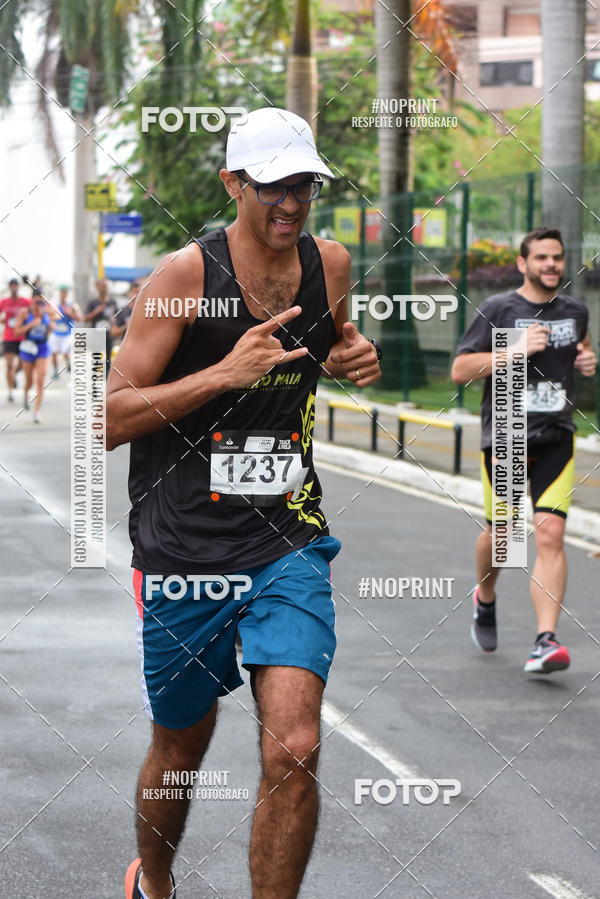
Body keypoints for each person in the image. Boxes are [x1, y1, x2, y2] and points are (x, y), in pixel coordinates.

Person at [106, 106, 382, 899]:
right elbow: (109, 418)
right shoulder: (182, 277)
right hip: (183, 549)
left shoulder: (330, 262)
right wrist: (222, 374)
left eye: (304, 186)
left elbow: (334, 340)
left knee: (295, 745)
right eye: (273, 187)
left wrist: (350, 354)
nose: (291, 204)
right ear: (234, 183)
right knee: (181, 744)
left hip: (287, 538)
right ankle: (154, 880)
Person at [451, 226, 597, 674]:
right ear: (523, 263)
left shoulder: (575, 311)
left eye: (557, 257)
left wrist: (587, 359)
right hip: (507, 435)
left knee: (550, 534)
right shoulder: (499, 309)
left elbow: (582, 346)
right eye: (541, 258)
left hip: (557, 435)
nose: (551, 264)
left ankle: (545, 641)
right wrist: (514, 351)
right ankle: (485, 596)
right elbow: (460, 369)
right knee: (504, 538)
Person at [13, 288, 54, 423]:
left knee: (40, 380)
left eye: (42, 302)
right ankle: (26, 394)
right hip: (28, 348)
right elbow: (16, 332)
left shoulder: (47, 311)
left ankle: (36, 412)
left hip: (42, 348)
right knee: (29, 381)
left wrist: (50, 324)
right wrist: (31, 324)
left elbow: (53, 324)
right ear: (32, 301)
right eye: (37, 302)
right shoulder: (24, 313)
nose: (39, 305)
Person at [0, 277, 30, 402]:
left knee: (23, 364)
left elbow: (35, 309)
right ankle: (10, 391)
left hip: (22, 336)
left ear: (18, 287)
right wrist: (2, 320)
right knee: (9, 365)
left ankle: (15, 374)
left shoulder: (25, 301)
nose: (14, 288)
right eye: (11, 285)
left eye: (15, 285)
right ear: (9, 287)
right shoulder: (4, 302)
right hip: (9, 336)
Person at [48, 284, 82, 378]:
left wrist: (70, 313)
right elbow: (51, 317)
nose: (63, 294)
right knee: (54, 352)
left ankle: (68, 363)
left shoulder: (72, 305)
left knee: (65, 351)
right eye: (62, 292)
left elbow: (79, 318)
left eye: (65, 292)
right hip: (56, 333)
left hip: (67, 333)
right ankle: (55, 371)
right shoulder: (56, 305)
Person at [84, 278, 116, 371]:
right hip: (96, 336)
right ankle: (95, 378)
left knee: (108, 361)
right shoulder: (93, 303)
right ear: (97, 288)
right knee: (96, 361)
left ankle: (107, 378)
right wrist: (96, 312)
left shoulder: (112, 302)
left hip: (108, 336)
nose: (104, 288)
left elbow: (117, 317)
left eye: (105, 286)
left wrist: (114, 320)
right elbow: (85, 319)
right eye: (102, 286)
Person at [110, 280, 138, 353]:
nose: (137, 295)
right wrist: (126, 327)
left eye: (139, 292)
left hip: (142, 349)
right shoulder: (122, 311)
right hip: (126, 350)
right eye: (135, 292)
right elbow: (113, 332)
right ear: (129, 293)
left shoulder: (146, 311)